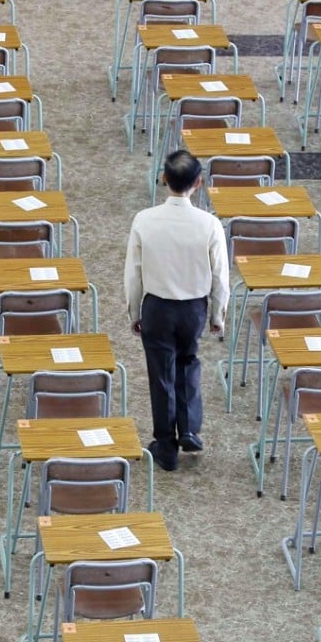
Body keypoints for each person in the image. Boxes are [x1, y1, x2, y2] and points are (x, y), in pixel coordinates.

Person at [123, 150, 230, 471]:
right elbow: (220, 275)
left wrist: (134, 313)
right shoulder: (209, 223)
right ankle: (189, 428)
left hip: (157, 306)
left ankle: (165, 445)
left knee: (161, 373)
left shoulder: (144, 219)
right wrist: (217, 315)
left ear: (164, 179)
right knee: (188, 362)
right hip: (193, 309)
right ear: (199, 182)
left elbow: (134, 272)